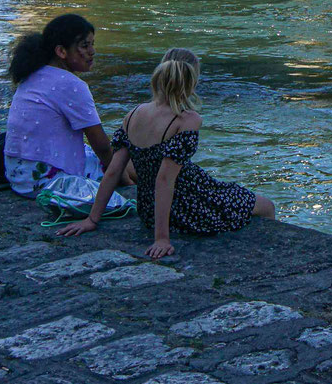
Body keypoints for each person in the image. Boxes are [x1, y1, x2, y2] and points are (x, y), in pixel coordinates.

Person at [58, 47, 273, 256]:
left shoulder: (133, 114)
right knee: (266, 206)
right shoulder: (188, 120)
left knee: (230, 191)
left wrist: (92, 219)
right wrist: (162, 238)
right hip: (190, 206)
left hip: (148, 211)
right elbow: (164, 179)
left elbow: (113, 170)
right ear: (192, 81)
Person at [5, 13, 134, 198]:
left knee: (117, 158)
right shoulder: (71, 85)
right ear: (61, 52)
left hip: (19, 177)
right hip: (49, 181)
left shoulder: (32, 75)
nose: (92, 51)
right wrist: (126, 183)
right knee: (124, 160)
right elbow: (102, 147)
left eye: (92, 44)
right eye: (84, 45)